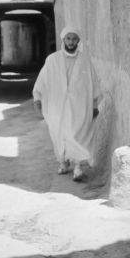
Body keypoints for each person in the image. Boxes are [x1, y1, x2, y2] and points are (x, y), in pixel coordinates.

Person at [33, 26, 101, 181]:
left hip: (79, 106)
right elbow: (42, 80)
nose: (71, 42)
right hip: (58, 106)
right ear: (63, 39)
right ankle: (63, 161)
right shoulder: (52, 60)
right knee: (60, 134)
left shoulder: (85, 61)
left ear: (78, 41)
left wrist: (94, 105)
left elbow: (93, 83)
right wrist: (37, 98)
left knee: (77, 134)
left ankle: (78, 166)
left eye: (74, 39)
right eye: (68, 38)